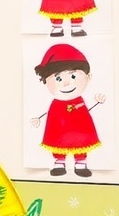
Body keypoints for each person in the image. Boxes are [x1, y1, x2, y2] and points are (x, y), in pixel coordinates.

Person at [31, 43, 105, 177]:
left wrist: (98, 102)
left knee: (81, 142)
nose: (66, 83)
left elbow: (83, 111)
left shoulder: (79, 100)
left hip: (80, 128)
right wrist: (39, 118)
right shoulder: (55, 104)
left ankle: (80, 163)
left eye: (73, 76)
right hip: (59, 129)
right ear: (45, 81)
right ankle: (59, 162)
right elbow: (51, 115)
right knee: (57, 141)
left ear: (88, 77)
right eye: (58, 78)